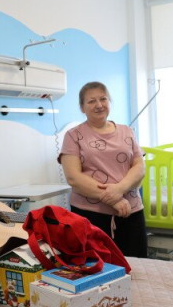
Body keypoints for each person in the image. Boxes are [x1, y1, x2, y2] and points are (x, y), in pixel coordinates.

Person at [59, 81, 148, 258]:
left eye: (103, 99)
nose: (99, 105)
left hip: (131, 211)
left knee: (137, 265)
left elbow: (139, 166)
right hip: (91, 215)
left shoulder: (127, 131)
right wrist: (113, 199)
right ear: (82, 107)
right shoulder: (73, 135)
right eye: (91, 101)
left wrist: (119, 189)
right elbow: (73, 177)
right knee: (97, 266)